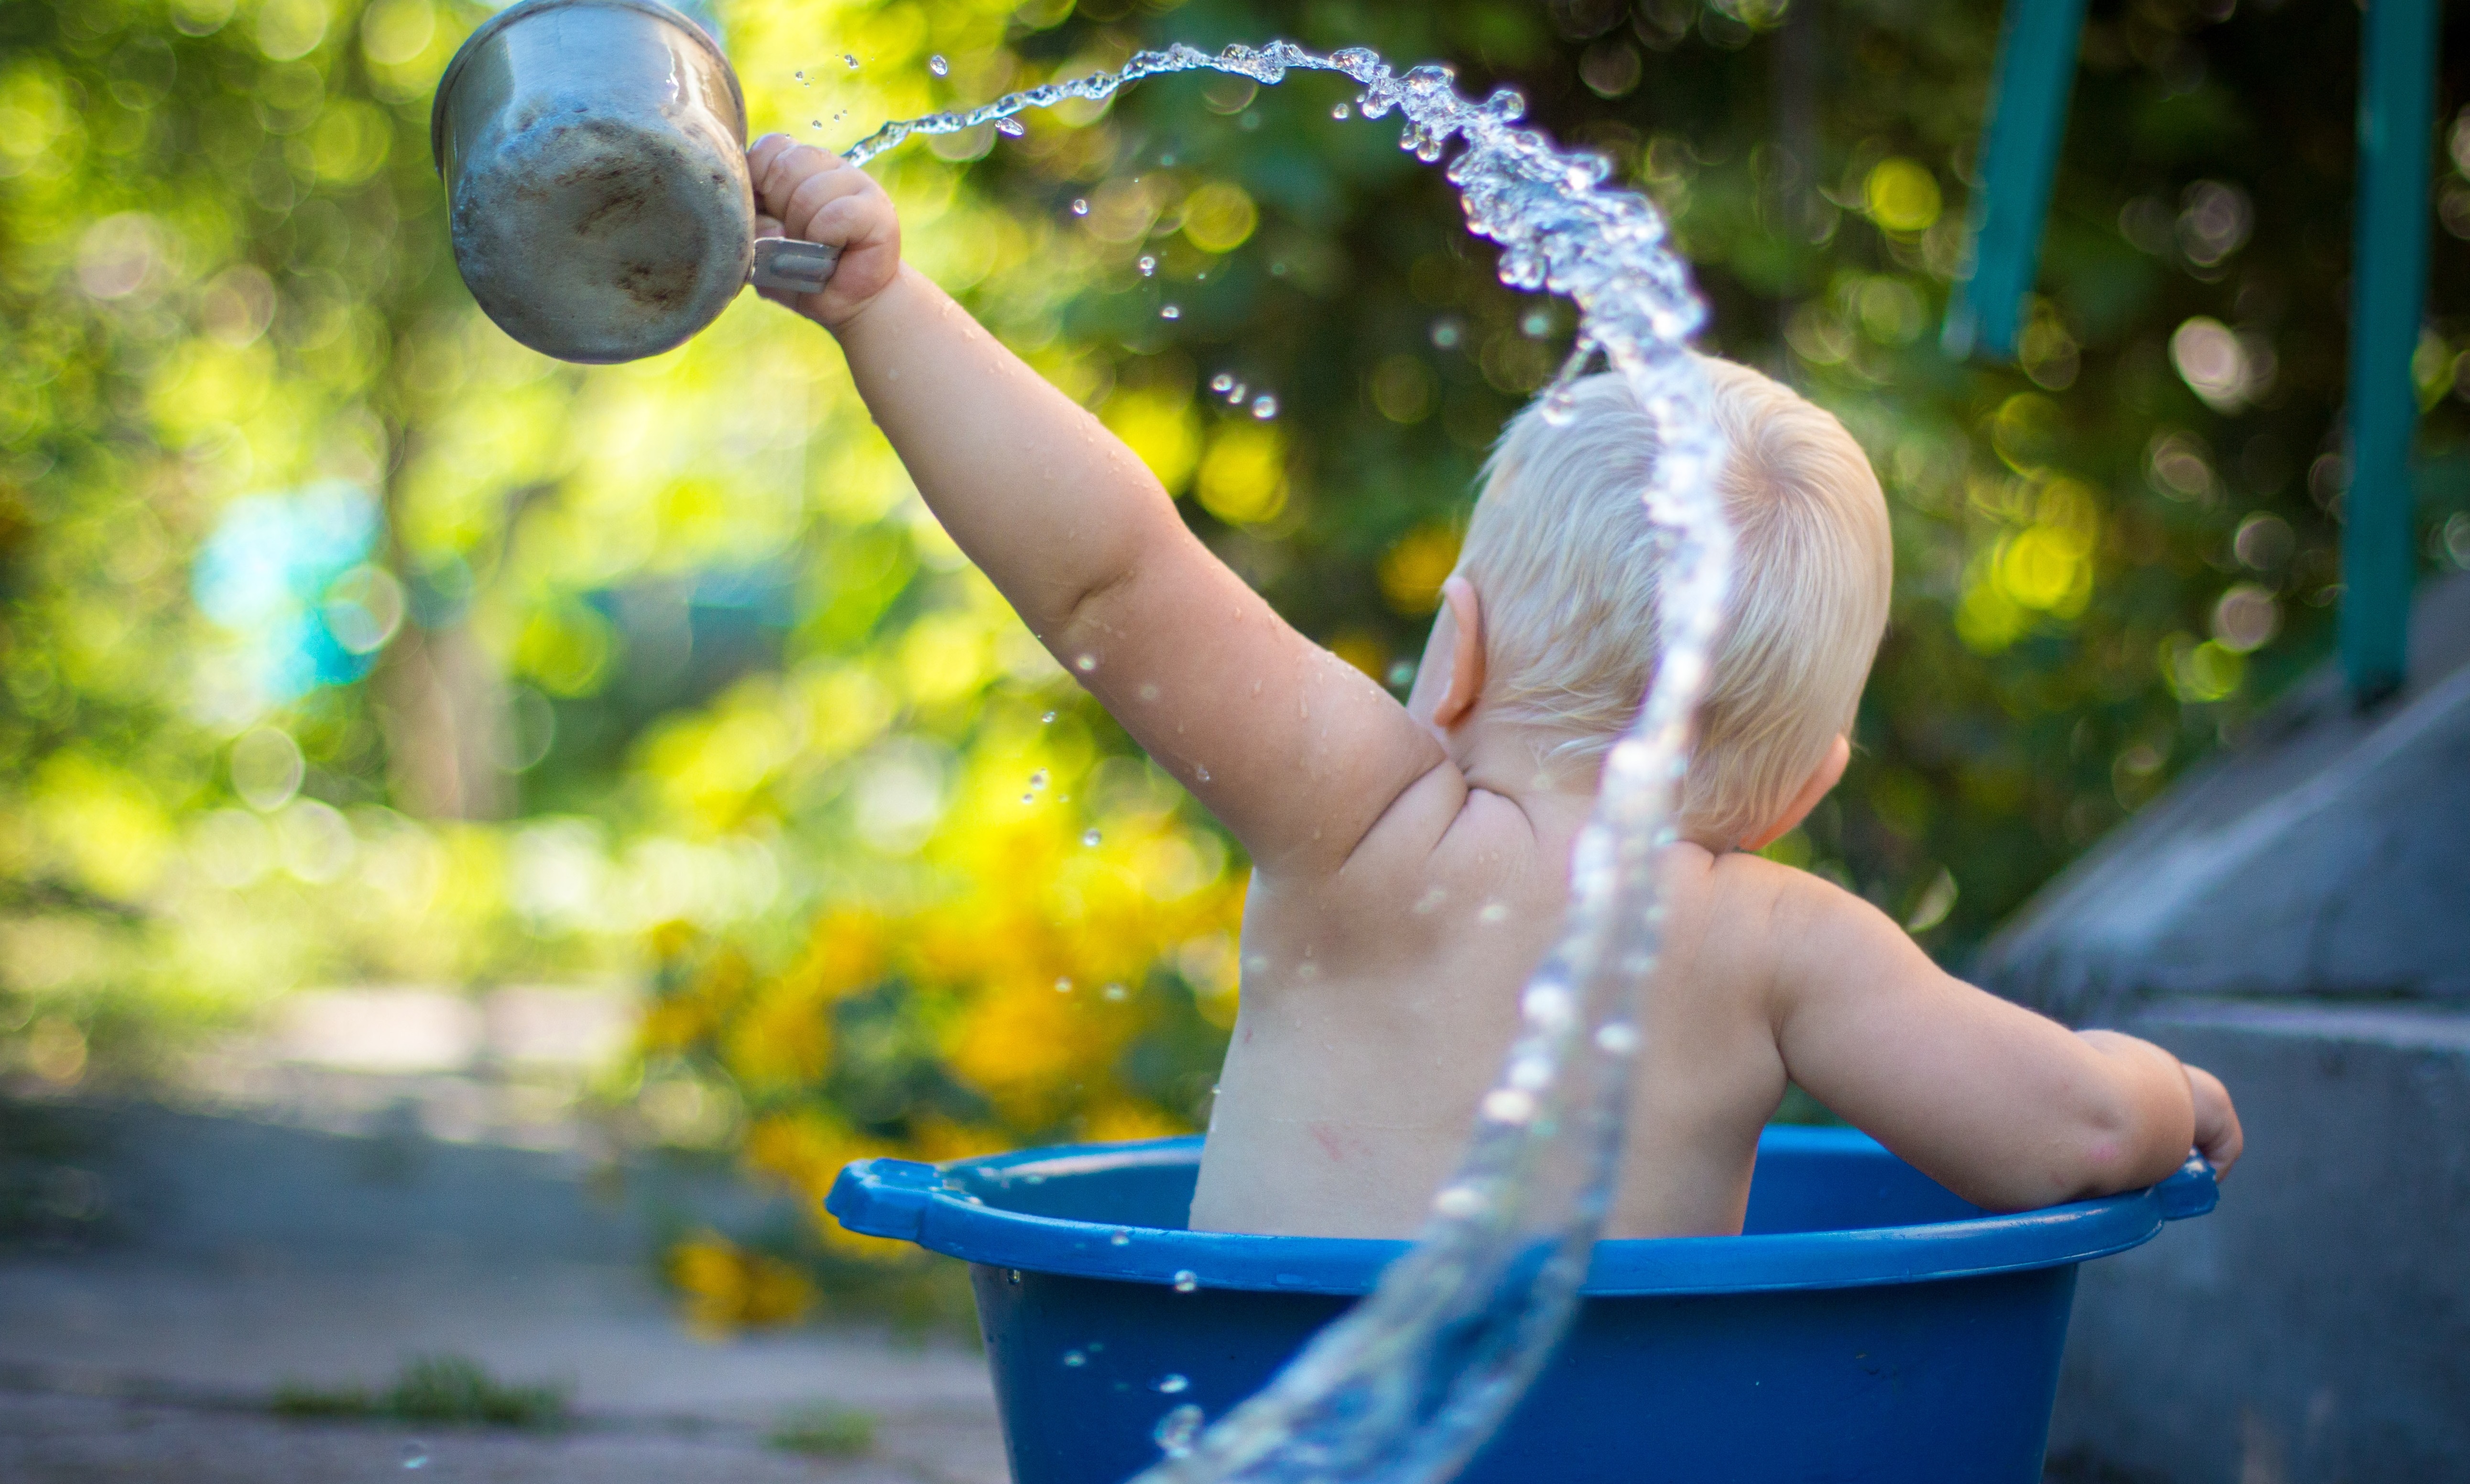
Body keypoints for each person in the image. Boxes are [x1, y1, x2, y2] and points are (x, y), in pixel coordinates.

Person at [746, 136, 2243, 1241]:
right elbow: (2075, 1131)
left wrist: (884, 302)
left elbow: (1112, 576)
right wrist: (2169, 1089)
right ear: (1805, 788)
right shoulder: (1784, 947)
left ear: (1451, 651)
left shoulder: (1364, 823)